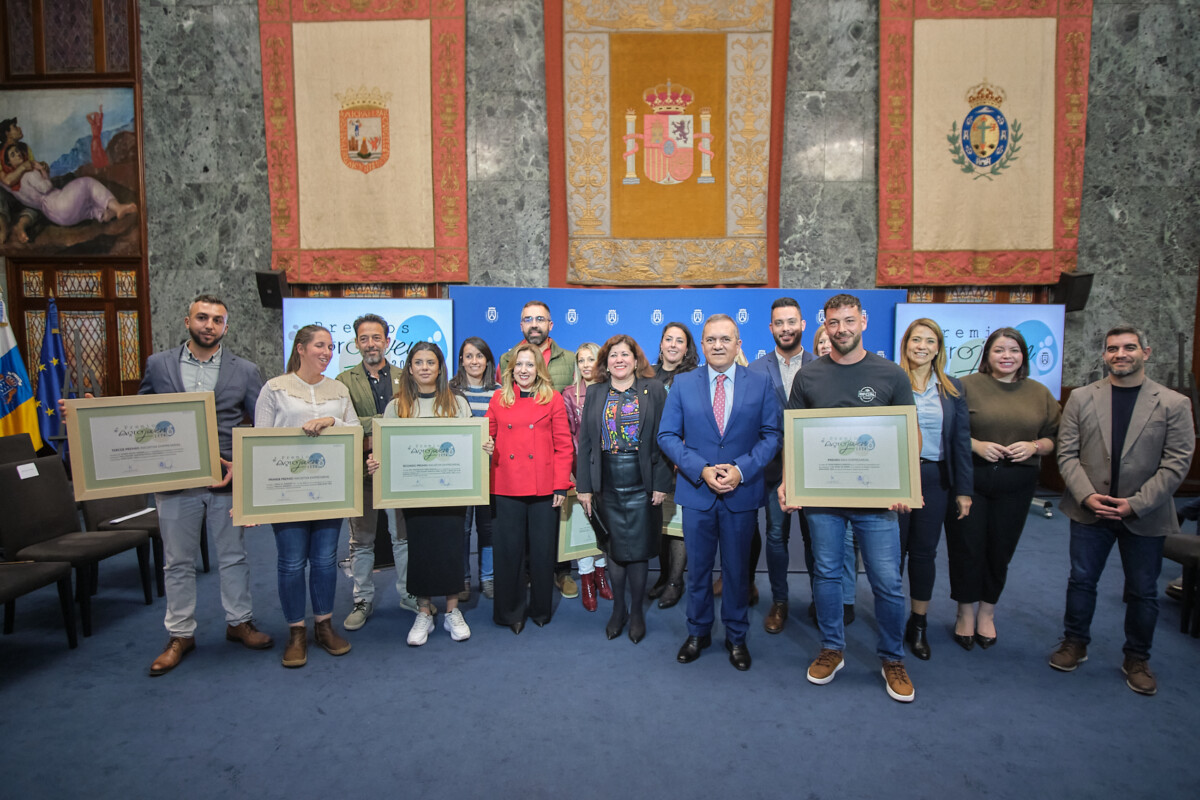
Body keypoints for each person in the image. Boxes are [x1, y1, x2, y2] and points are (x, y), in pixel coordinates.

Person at [782, 293, 917, 702]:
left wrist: (907, 487)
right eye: (833, 322)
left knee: (887, 582)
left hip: (878, 505)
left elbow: (907, 434)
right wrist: (789, 481)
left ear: (863, 320)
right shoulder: (808, 377)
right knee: (825, 574)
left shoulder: (891, 375)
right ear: (824, 324)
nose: (841, 329)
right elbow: (794, 435)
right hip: (823, 502)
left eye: (848, 320)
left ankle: (892, 657)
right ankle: (832, 648)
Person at [133, 294, 273, 676]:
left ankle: (239, 622)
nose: (208, 325)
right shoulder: (158, 365)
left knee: (233, 555)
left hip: (225, 480)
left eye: (216, 320)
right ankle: (180, 634)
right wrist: (93, 415)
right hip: (174, 480)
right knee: (177, 561)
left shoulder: (244, 370)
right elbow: (140, 416)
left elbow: (260, 425)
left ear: (225, 327)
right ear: (187, 321)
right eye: (202, 317)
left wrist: (243, 467)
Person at [1050, 325, 1194, 695]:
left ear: (1145, 352)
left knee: (1144, 590)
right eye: (1113, 348)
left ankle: (1136, 657)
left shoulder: (1173, 403)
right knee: (1081, 580)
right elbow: (1066, 454)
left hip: (1145, 514)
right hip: (1089, 511)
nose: (1121, 354)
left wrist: (1137, 503)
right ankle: (1075, 642)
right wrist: (1084, 495)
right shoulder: (1082, 398)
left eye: (1129, 347)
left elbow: (1177, 463)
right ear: (1104, 355)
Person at [658, 315, 781, 671]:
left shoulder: (759, 383)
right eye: (711, 339)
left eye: (725, 339)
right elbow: (666, 436)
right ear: (703, 343)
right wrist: (701, 469)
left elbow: (772, 435)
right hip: (697, 493)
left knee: (736, 571)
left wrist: (741, 470)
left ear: (738, 343)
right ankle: (697, 632)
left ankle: (737, 636)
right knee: (697, 571)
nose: (718, 345)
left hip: (741, 494)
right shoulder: (682, 384)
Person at [946, 327, 1060, 651]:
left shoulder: (1040, 393)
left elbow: (1054, 439)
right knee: (967, 547)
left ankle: (987, 613)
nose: (1006, 356)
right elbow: (948, 431)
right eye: (999, 350)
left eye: (1014, 350)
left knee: (1000, 550)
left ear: (1023, 355)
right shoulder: (965, 387)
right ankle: (965, 612)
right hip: (971, 483)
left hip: (1017, 485)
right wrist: (977, 445)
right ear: (987, 355)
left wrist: (1035, 446)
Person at [255, 324, 358, 668]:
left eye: (330, 347)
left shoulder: (339, 390)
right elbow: (259, 442)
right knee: (291, 562)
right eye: (319, 346)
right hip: (288, 491)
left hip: (331, 490)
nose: (327, 353)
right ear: (300, 349)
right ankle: (296, 632)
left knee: (327, 560)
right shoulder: (275, 389)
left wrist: (331, 419)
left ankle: (324, 626)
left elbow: (356, 432)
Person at [373, 342, 488, 646]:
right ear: (409, 368)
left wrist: (483, 448)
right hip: (414, 494)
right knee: (420, 549)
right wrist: (377, 463)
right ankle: (424, 611)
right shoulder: (396, 407)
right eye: (419, 362)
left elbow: (469, 446)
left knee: (451, 547)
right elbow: (387, 451)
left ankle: (452, 611)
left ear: (440, 368)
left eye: (431, 362)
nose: (425, 367)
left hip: (451, 493)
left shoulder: (457, 404)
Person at [576, 335, 671, 642]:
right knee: (614, 549)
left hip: (642, 480)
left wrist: (660, 482)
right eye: (613, 355)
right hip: (607, 480)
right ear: (606, 361)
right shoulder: (595, 392)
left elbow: (665, 437)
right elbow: (586, 442)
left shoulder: (653, 389)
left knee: (639, 551)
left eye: (625, 354)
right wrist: (584, 487)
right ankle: (619, 610)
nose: (619, 359)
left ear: (635, 359)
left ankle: (638, 613)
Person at [896, 318, 973, 660]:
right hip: (897, 478)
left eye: (930, 341)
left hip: (936, 478)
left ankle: (919, 623)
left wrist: (963, 490)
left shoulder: (952, 389)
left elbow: (960, 442)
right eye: (916, 340)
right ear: (906, 344)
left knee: (924, 554)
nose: (922, 346)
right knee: (891, 555)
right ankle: (890, 619)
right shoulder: (892, 382)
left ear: (939, 348)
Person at [487, 342, 574, 633]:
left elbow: (564, 446)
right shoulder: (499, 399)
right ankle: (510, 612)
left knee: (542, 552)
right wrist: (485, 445)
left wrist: (561, 486)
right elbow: (488, 436)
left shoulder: (553, 399)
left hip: (544, 488)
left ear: (539, 369)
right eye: (519, 365)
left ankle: (539, 608)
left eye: (530, 364)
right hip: (506, 484)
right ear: (511, 369)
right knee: (508, 552)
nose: (524, 370)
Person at [338, 314, 414, 632]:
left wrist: (369, 423)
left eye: (376, 338)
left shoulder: (405, 376)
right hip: (363, 471)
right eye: (364, 339)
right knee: (362, 541)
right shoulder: (343, 381)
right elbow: (346, 424)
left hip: (400, 472)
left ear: (387, 340)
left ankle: (408, 594)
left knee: (402, 538)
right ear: (356, 343)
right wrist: (381, 422)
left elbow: (410, 419)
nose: (371, 344)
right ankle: (363, 599)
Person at [497, 300, 577, 599]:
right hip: (515, 471)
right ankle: (524, 577)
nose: (534, 323)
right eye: (528, 318)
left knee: (554, 529)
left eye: (540, 319)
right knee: (518, 537)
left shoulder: (569, 359)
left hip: (554, 457)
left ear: (550, 324)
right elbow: (505, 407)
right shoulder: (507, 357)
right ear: (521, 325)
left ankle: (561, 573)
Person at [748, 297, 816, 634]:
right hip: (774, 471)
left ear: (803, 325)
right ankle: (780, 601)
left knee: (818, 538)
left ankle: (822, 600)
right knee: (776, 536)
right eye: (779, 323)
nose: (786, 328)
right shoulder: (756, 370)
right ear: (771, 328)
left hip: (818, 467)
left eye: (792, 322)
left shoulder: (822, 366)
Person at [649, 322, 699, 608]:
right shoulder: (647, 374)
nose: (673, 345)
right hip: (654, 459)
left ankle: (675, 582)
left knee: (679, 525)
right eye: (668, 339)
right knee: (661, 522)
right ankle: (663, 576)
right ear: (660, 344)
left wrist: (684, 456)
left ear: (686, 348)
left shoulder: (693, 376)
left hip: (681, 458)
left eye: (679, 341)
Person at [561, 342, 612, 611]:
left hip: (609, 469)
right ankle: (587, 580)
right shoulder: (570, 394)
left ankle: (602, 574)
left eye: (590, 359)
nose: (585, 365)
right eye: (580, 360)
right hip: (581, 469)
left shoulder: (611, 389)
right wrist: (576, 471)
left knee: (604, 524)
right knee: (584, 526)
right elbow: (568, 436)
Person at [449, 336, 499, 599]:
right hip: (459, 473)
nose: (474, 361)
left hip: (492, 471)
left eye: (479, 356)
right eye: (469, 356)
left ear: (488, 360)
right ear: (461, 361)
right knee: (462, 527)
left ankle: (488, 577)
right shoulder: (449, 391)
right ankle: (463, 578)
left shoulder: (500, 391)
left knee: (488, 527)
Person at [2, 142, 136, 227]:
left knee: (89, 209)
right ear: (9, 164)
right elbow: (46, 188)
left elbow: (6, 182)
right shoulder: (29, 174)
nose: (18, 154)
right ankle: (117, 207)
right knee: (87, 183)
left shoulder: (14, 187)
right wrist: (42, 170)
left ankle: (104, 215)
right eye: (13, 154)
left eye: (17, 151)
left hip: (55, 216)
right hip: (59, 204)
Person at [0, 117, 42, 244]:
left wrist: (41, 167)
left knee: (38, 204)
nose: (19, 129)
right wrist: (23, 167)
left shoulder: (24, 148)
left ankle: (21, 227)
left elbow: (34, 169)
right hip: (8, 197)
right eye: (15, 127)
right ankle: (3, 228)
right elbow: (6, 181)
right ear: (7, 133)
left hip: (24, 193)